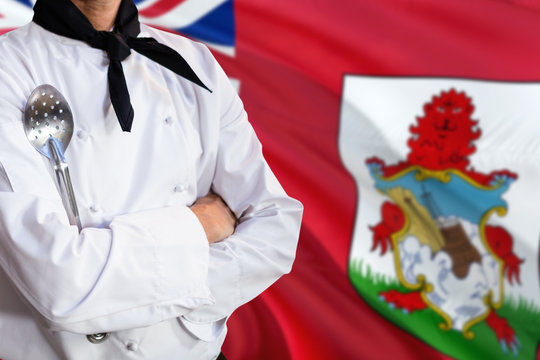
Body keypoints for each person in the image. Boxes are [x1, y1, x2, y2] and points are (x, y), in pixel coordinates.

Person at [0, 0, 303, 358]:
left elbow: (275, 230)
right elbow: (60, 286)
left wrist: (119, 297)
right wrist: (198, 226)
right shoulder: (7, 69)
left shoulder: (195, 62)